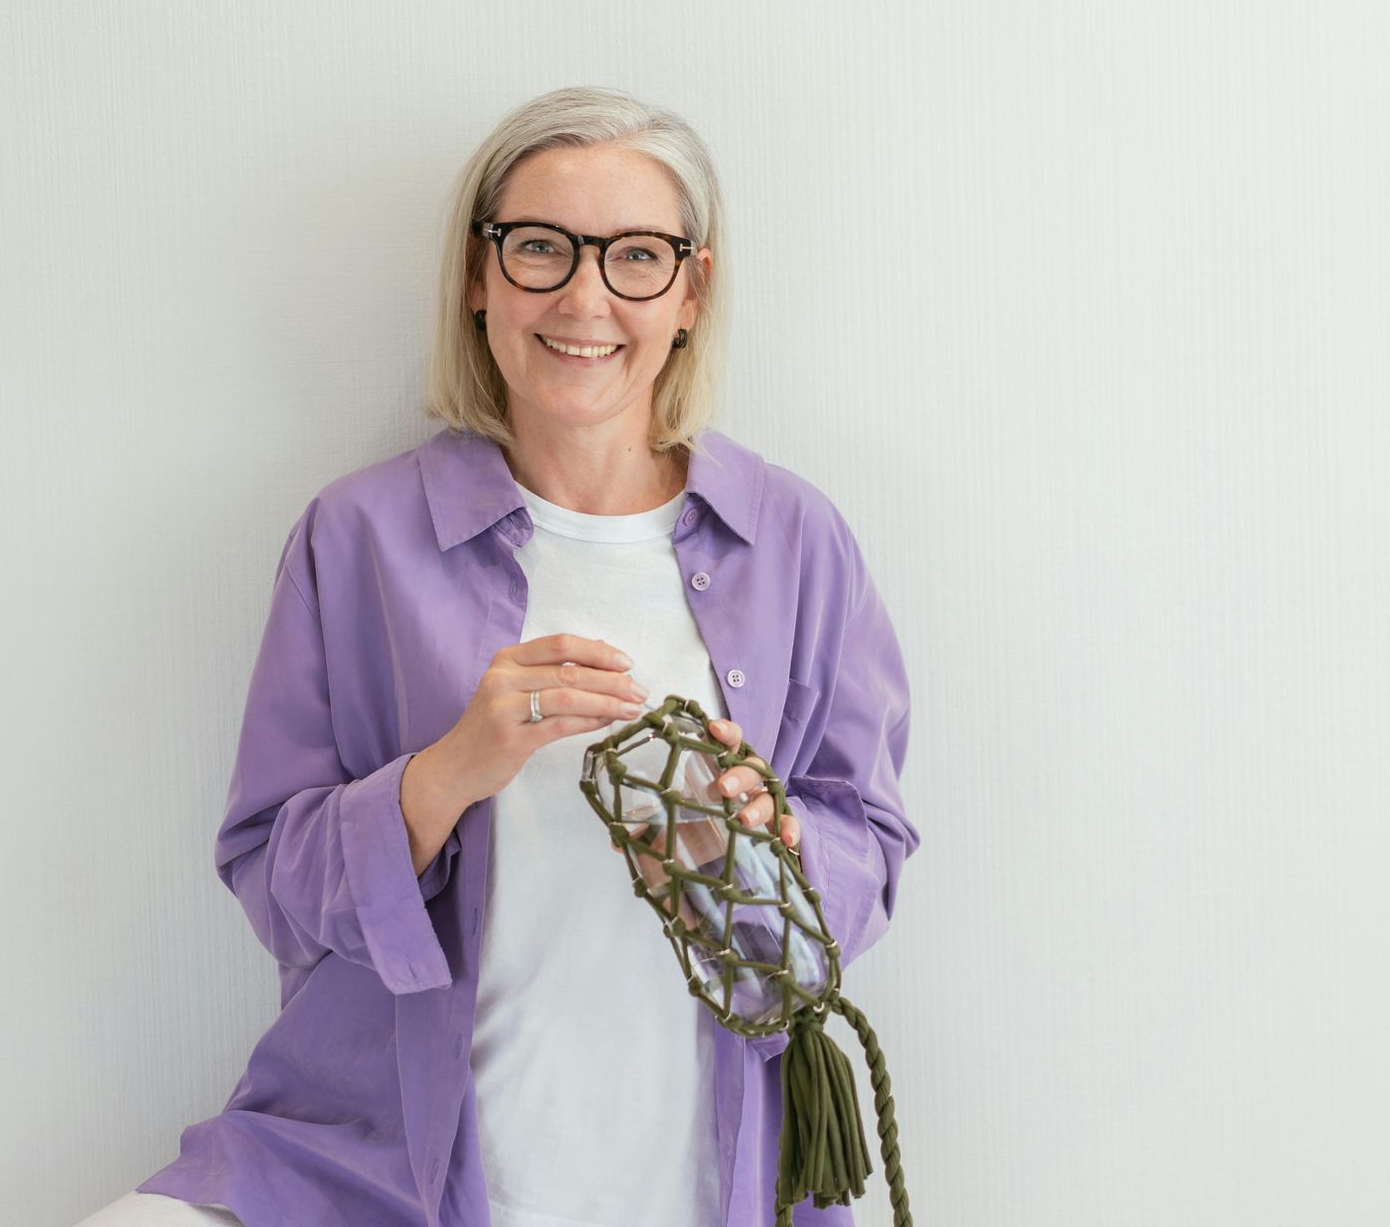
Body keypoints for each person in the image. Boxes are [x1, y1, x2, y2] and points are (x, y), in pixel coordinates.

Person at [73, 85, 918, 1227]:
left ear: (691, 288)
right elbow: (273, 878)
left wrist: (762, 841)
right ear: (479, 276)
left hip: (712, 1179)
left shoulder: (796, 539)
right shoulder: (358, 538)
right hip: (384, 1166)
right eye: (540, 248)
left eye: (635, 256)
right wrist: (447, 769)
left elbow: (870, 847)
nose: (584, 295)